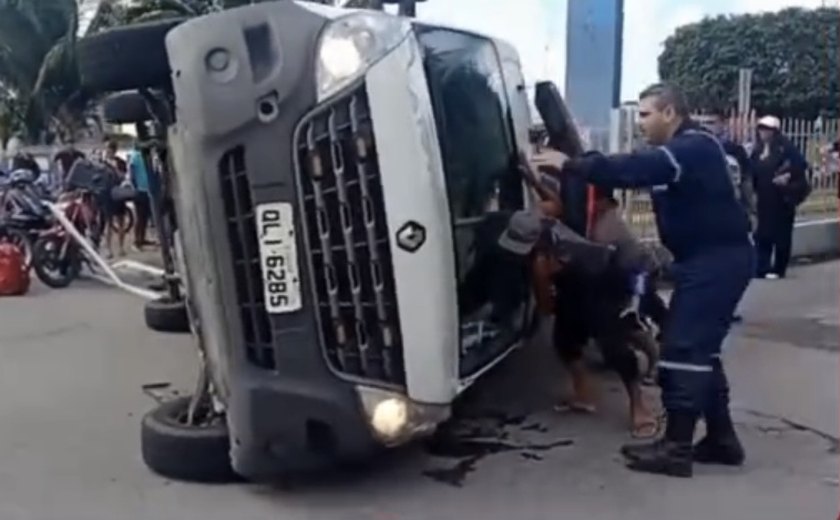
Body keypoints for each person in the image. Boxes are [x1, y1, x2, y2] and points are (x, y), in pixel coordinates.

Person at [532, 83, 755, 478]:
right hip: (706, 261)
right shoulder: (684, 150)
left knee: (682, 350)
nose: (640, 123)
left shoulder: (691, 148)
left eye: (646, 114)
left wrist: (572, 164)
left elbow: (634, 169)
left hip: (716, 263)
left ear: (670, 113)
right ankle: (722, 440)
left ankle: (676, 448)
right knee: (701, 351)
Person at [498, 202, 661, 439]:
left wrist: (543, 288)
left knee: (614, 348)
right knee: (564, 340)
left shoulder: (548, 257)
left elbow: (545, 305)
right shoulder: (539, 223)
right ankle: (583, 393)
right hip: (572, 285)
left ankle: (640, 407)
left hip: (603, 282)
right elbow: (552, 203)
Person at [750, 115, 810, 279]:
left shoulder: (785, 148)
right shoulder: (758, 149)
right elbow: (752, 170)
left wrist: (787, 176)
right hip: (764, 197)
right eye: (761, 129)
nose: (763, 132)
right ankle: (761, 267)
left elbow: (800, 166)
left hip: (781, 198)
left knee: (781, 235)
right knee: (762, 234)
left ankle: (779, 268)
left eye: (767, 129)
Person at [103, 141, 130, 258]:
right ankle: (108, 249)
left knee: (121, 221)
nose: (107, 152)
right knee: (108, 223)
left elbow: (124, 177)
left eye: (109, 149)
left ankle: (121, 247)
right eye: (106, 149)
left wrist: (115, 168)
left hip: (118, 194)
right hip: (107, 194)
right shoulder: (102, 163)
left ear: (114, 150)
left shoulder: (121, 162)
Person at [128, 145, 154, 250]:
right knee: (139, 217)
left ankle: (142, 239)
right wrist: (135, 186)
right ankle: (136, 241)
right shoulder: (135, 156)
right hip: (140, 190)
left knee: (145, 217)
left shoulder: (146, 155)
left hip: (147, 189)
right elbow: (132, 173)